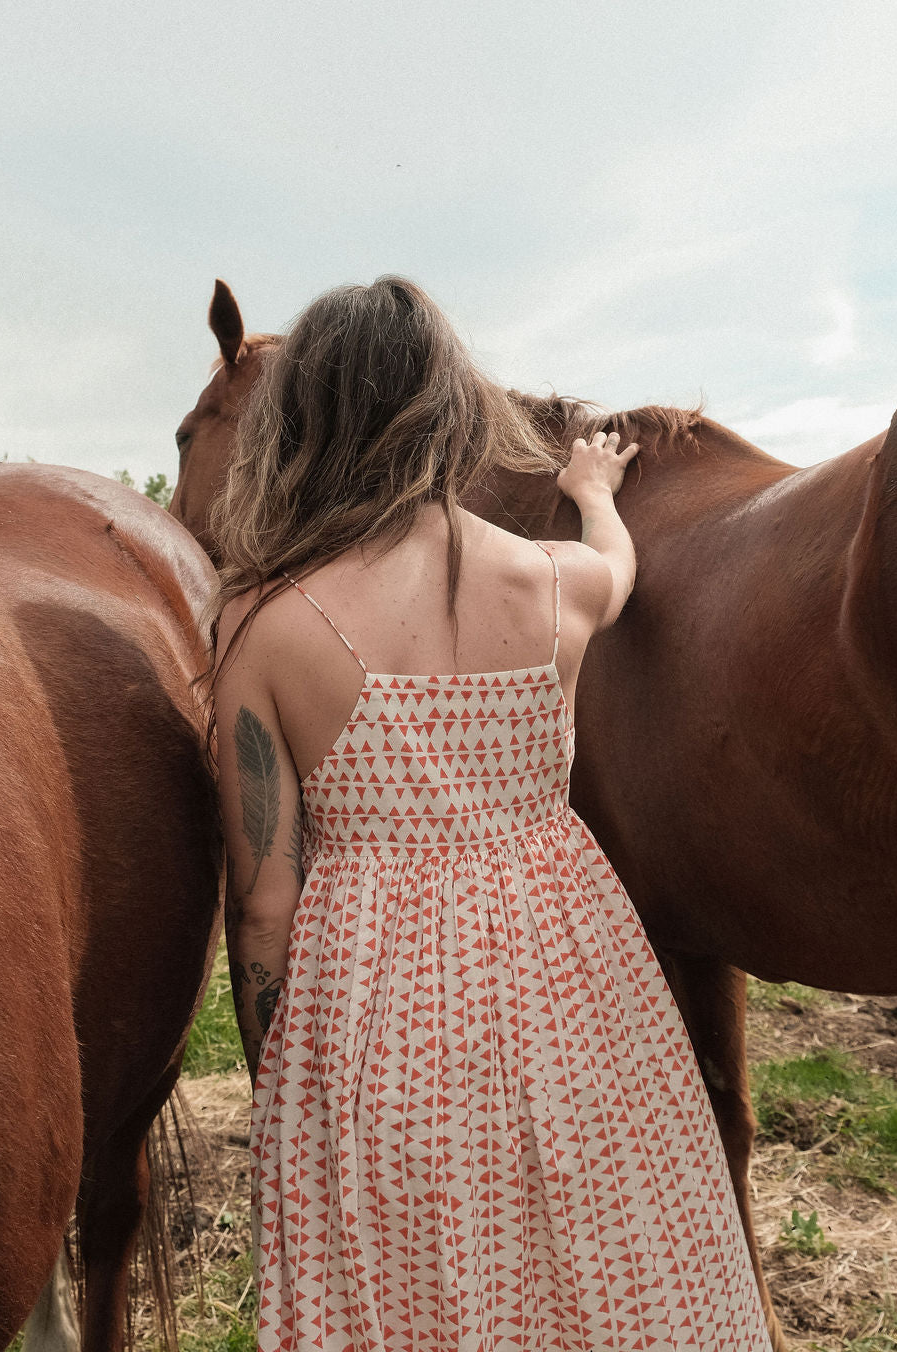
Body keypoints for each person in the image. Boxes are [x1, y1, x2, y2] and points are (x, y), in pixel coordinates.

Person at [208, 277, 771, 1351]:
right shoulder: (549, 584)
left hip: (373, 1002)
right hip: (569, 974)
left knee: (404, 1271)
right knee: (590, 1243)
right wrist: (594, 488)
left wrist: (280, 1075)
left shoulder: (261, 622)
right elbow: (617, 567)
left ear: (302, 423)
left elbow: (264, 903)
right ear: (453, 416)